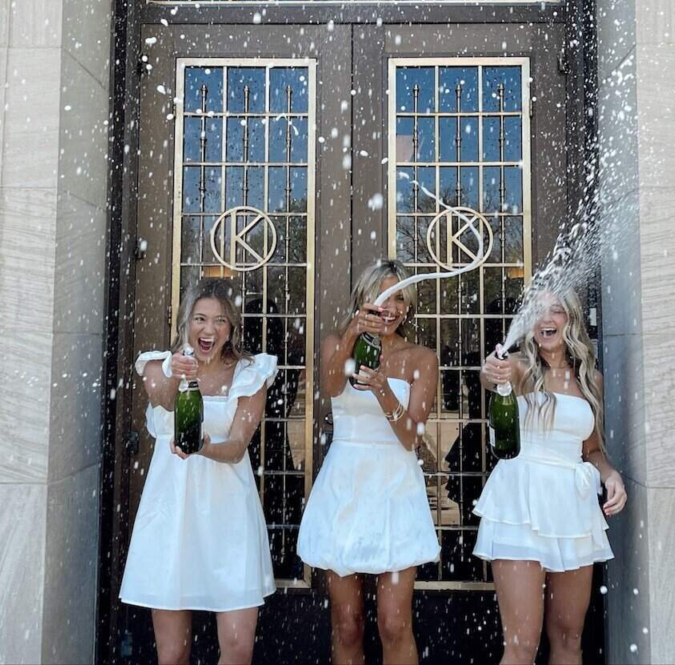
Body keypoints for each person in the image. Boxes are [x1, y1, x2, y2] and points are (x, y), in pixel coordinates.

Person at [119, 278, 278, 665]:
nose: (210, 330)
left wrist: (202, 447)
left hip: (229, 516)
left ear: (232, 327)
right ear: (185, 322)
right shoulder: (157, 365)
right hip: (173, 514)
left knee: (239, 649)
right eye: (201, 319)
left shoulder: (250, 373)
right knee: (172, 654)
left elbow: (239, 445)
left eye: (220, 321)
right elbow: (162, 398)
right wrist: (178, 370)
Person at [298, 260, 440, 665]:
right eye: (383, 296)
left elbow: (411, 437)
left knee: (394, 623)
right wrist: (352, 336)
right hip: (346, 487)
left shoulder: (420, 358)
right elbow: (330, 385)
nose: (391, 307)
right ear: (363, 301)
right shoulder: (335, 343)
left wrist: (383, 390)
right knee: (348, 622)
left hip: (396, 489)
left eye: (400, 298)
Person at [477, 290, 627, 665]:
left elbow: (591, 451)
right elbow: (490, 376)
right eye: (538, 311)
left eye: (556, 310)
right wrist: (489, 371)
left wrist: (612, 477)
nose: (547, 317)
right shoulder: (518, 368)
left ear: (570, 319)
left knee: (568, 639)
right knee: (522, 646)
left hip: (572, 512)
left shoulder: (591, 379)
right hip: (520, 506)